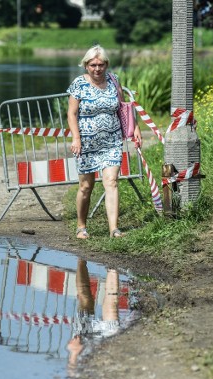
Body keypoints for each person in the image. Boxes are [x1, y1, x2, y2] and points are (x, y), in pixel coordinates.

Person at [66, 45, 142, 239]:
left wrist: (136, 129)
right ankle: (81, 226)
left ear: (106, 64)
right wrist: (76, 138)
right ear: (86, 65)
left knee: (111, 182)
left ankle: (114, 229)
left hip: (112, 140)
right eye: (93, 65)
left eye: (101, 65)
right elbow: (72, 113)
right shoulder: (78, 84)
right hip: (87, 143)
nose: (97, 69)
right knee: (86, 187)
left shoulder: (113, 80)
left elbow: (124, 107)